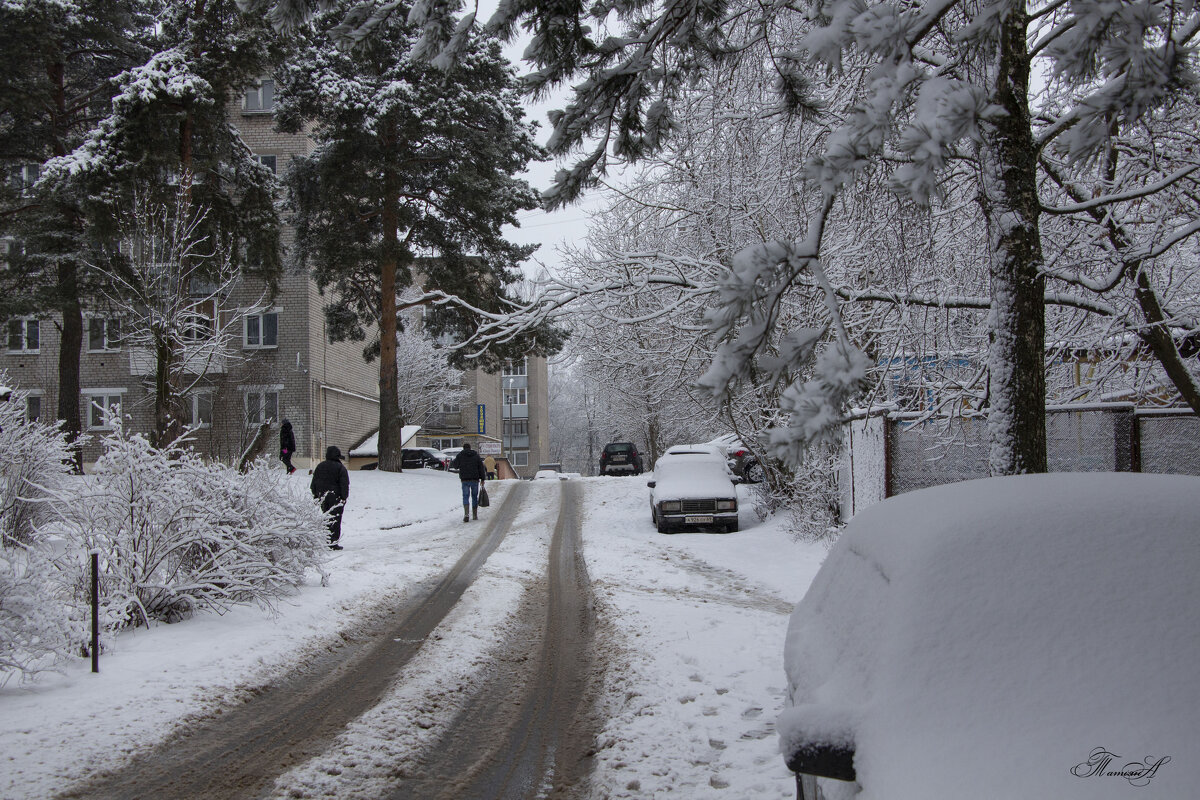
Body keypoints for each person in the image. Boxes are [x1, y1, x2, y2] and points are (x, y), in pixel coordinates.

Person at [310, 446, 350, 549]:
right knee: (336, 519)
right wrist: (344, 497)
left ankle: (326, 540)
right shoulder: (340, 468)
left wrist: (316, 495)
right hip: (336, 497)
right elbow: (344, 484)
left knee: (326, 518)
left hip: (323, 497)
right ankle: (333, 543)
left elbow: (313, 483)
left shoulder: (320, 467)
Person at [451, 442, 487, 522]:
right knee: (474, 497)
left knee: (465, 496)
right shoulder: (476, 456)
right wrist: (483, 479)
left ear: (463, 448)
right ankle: (474, 515)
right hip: (475, 479)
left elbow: (455, 465)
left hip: (465, 480)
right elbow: (481, 468)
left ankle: (466, 514)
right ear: (470, 448)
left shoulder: (460, 455)